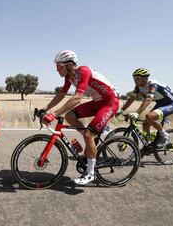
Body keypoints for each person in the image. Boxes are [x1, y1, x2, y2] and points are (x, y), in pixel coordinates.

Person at [41, 50, 119, 185]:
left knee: (88, 135)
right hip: (97, 102)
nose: (57, 69)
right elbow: (61, 94)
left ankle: (91, 173)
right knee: (70, 116)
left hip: (110, 102)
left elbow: (77, 98)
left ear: (69, 64)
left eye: (59, 66)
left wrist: (54, 114)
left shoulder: (84, 71)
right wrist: (46, 109)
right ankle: (90, 139)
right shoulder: (69, 77)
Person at [118, 68, 173, 148]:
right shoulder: (138, 87)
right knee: (145, 124)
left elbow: (148, 99)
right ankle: (149, 145)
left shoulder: (153, 85)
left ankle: (164, 136)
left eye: (137, 78)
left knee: (149, 116)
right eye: (134, 78)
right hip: (160, 103)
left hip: (171, 104)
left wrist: (137, 113)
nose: (135, 80)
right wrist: (122, 110)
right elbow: (132, 98)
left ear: (144, 78)